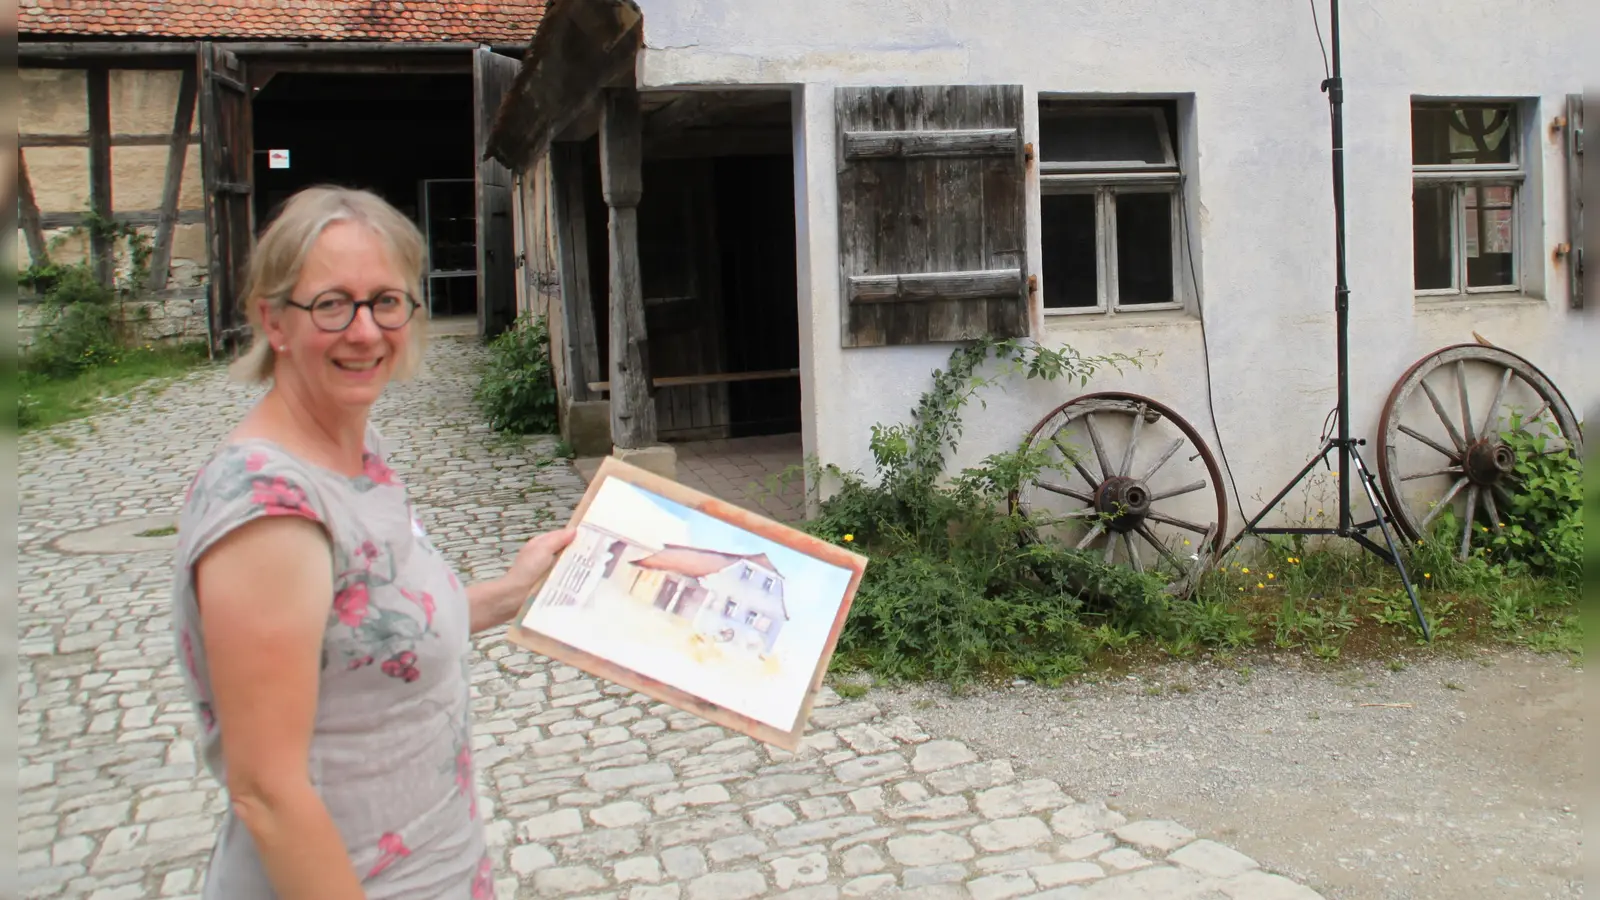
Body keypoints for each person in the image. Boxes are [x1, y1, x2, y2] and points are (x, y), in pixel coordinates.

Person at [168, 185, 574, 899]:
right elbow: (266, 794)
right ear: (275, 321)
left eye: (387, 301)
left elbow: (365, 630)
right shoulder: (270, 510)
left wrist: (514, 590)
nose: (365, 331)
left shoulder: (359, 454)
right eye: (332, 304)